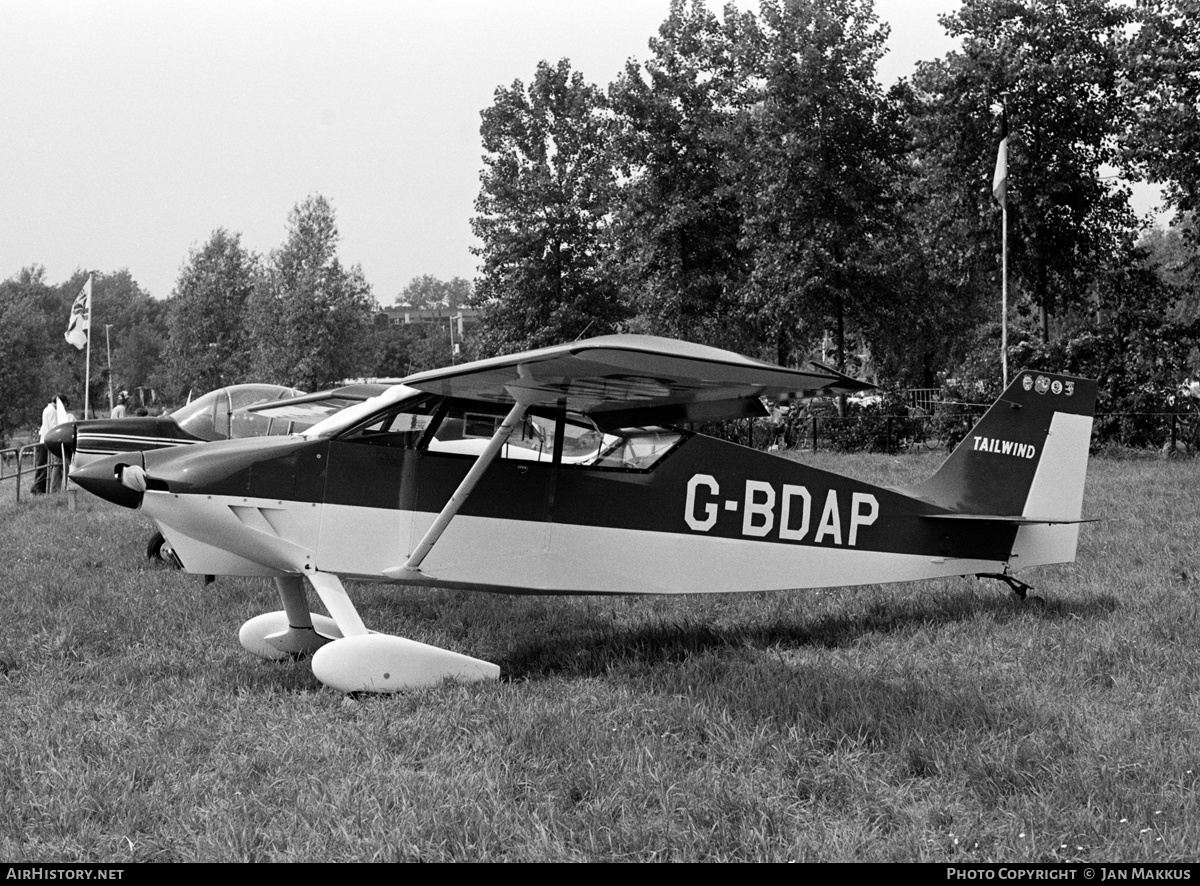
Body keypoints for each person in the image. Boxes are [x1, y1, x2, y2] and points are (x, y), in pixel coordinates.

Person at [32, 394, 68, 494]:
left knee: (43, 466)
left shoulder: (48, 409)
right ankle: (37, 489)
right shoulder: (52, 411)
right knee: (44, 467)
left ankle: (39, 489)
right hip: (46, 441)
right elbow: (53, 427)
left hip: (44, 439)